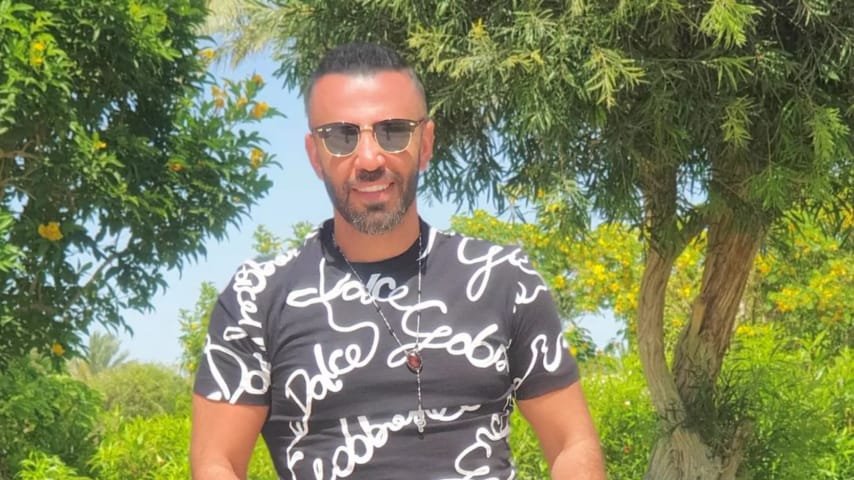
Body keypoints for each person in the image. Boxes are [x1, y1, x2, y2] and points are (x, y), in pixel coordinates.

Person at [191, 42, 606, 480]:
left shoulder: (503, 280)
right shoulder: (257, 296)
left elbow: (571, 442)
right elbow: (217, 462)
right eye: (341, 136)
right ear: (315, 156)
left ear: (425, 144)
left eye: (393, 131)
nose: (369, 159)